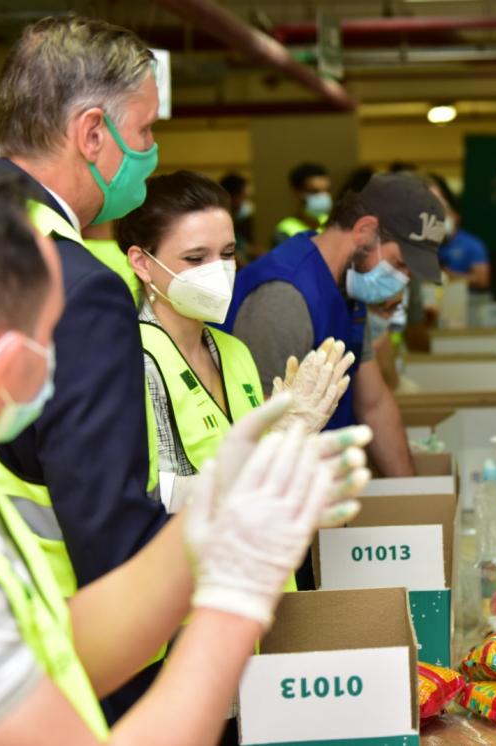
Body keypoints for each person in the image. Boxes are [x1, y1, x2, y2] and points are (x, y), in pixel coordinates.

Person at [0, 161, 370, 746]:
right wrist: (236, 593)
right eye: (52, 339)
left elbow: (60, 650)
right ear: (9, 363)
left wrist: (216, 517)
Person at [0, 15, 174, 720]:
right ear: (93, 134)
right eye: (144, 131)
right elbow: (109, 533)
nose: (150, 152)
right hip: (69, 665)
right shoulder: (78, 287)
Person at [117, 170, 355, 512]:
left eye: (227, 254)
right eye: (196, 258)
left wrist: (284, 437)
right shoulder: (128, 359)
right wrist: (265, 461)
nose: (218, 271)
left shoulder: (234, 351)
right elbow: (146, 496)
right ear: (142, 262)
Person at [225, 172, 446, 477]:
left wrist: (414, 496)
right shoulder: (283, 297)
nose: (403, 280)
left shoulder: (346, 287)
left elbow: (375, 403)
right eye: (399, 264)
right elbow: (259, 431)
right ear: (365, 230)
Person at [427, 173, 490, 291]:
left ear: (456, 217)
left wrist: (450, 276)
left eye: (446, 213)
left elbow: (482, 281)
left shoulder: (472, 245)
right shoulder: (428, 243)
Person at [273, 162, 331, 244]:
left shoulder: (332, 224)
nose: (323, 197)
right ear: (296, 193)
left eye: (326, 190)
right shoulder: (286, 230)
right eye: (314, 191)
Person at [218, 172, 253, 264]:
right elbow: (237, 259)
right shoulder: (219, 226)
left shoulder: (235, 222)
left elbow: (243, 247)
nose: (246, 201)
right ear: (233, 197)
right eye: (244, 196)